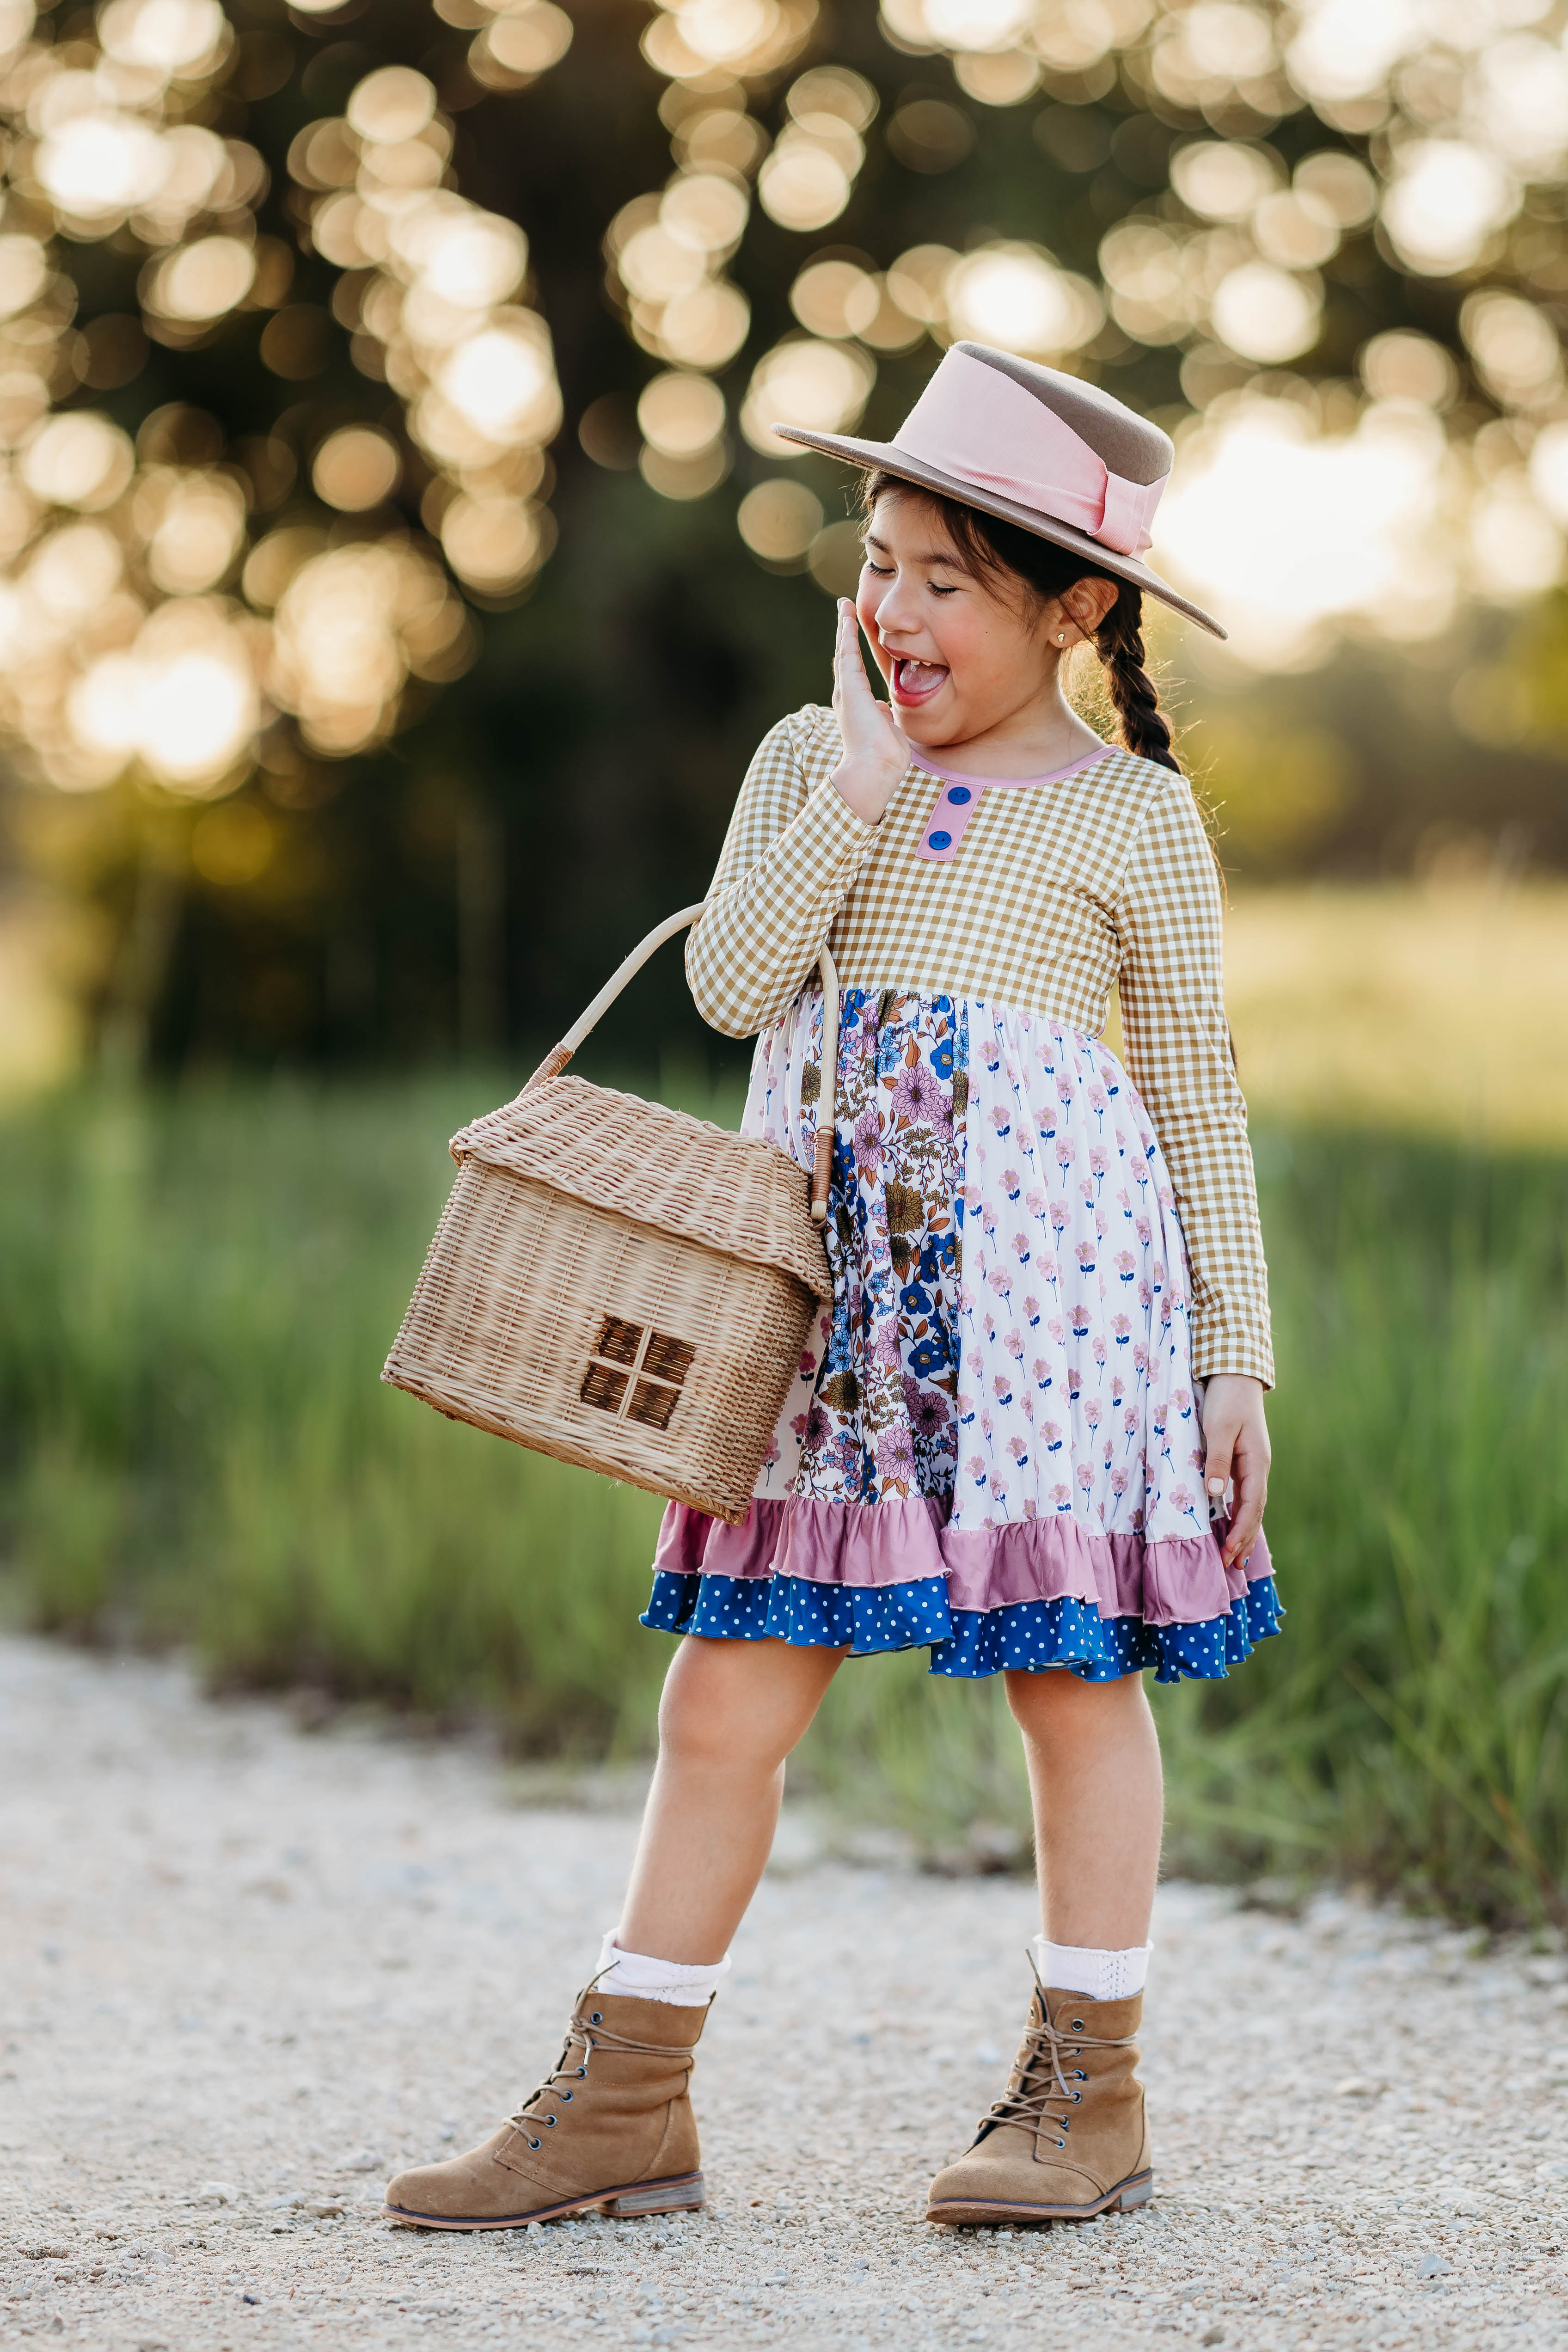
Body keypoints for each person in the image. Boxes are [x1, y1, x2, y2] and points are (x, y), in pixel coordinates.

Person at [386, 341, 1277, 2235]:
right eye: (875, 565)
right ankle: (625, 2094)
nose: (891, 610)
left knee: (1070, 1685)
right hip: (828, 1324)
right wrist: (857, 791)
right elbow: (726, 992)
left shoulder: (1128, 819)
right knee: (723, 1696)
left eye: (945, 582)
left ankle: (1082, 2094)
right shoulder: (812, 764)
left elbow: (1196, 1098)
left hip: (1057, 1327)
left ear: (1072, 608)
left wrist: (1234, 1360)